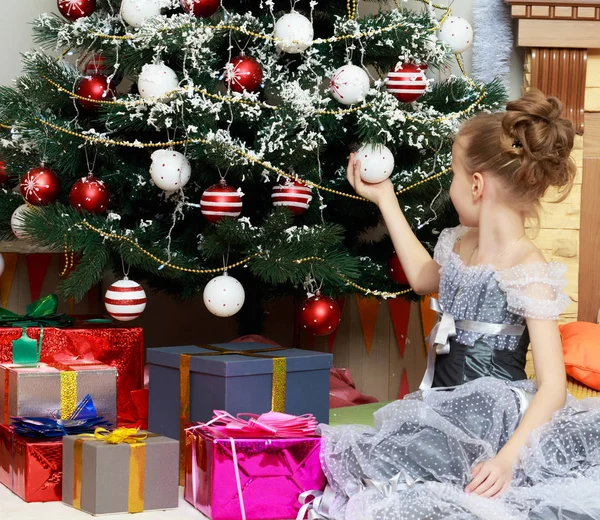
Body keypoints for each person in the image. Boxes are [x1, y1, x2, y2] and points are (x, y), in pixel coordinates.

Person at [315, 90, 600, 520]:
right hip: (441, 404)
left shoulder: (528, 268)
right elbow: (422, 277)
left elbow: (554, 387)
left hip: (493, 417)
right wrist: (385, 198)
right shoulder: (459, 243)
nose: (450, 187)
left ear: (476, 184)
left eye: (452, 174)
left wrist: (508, 459)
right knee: (374, 459)